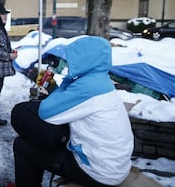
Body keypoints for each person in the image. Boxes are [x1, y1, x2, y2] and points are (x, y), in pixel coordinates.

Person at [11, 36, 134, 186]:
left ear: (85, 60)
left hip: (98, 172)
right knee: (42, 137)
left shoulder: (87, 87)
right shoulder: (99, 80)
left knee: (22, 143)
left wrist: (65, 82)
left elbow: (46, 111)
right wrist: (54, 87)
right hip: (113, 165)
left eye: (74, 58)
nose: (70, 63)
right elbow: (67, 104)